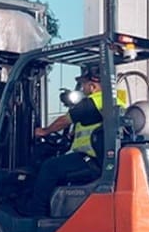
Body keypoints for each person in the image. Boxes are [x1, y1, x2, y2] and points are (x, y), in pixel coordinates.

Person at [25, 71, 122, 215]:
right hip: (103, 158)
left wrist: (44, 131)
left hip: (91, 159)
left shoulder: (93, 102)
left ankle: (36, 214)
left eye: (84, 85)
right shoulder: (114, 101)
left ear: (92, 86)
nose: (82, 88)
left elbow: (65, 120)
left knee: (49, 167)